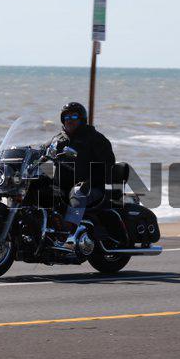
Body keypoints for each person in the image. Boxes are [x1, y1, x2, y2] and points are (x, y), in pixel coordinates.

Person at [47, 102, 116, 250]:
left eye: (74, 117)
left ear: (82, 119)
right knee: (40, 188)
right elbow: (41, 152)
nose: (69, 120)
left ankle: (69, 234)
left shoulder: (94, 138)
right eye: (66, 117)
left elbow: (108, 164)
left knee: (77, 192)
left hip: (91, 187)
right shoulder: (58, 139)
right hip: (63, 186)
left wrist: (90, 181)